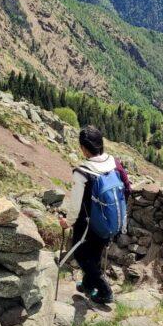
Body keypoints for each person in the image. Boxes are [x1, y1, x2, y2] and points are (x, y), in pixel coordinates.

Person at [59, 125, 131, 304]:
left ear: (84, 148)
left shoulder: (82, 172)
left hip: (88, 223)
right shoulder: (114, 163)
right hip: (110, 220)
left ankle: (105, 291)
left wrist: (67, 222)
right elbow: (127, 188)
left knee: (82, 256)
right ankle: (88, 284)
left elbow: (75, 205)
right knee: (96, 254)